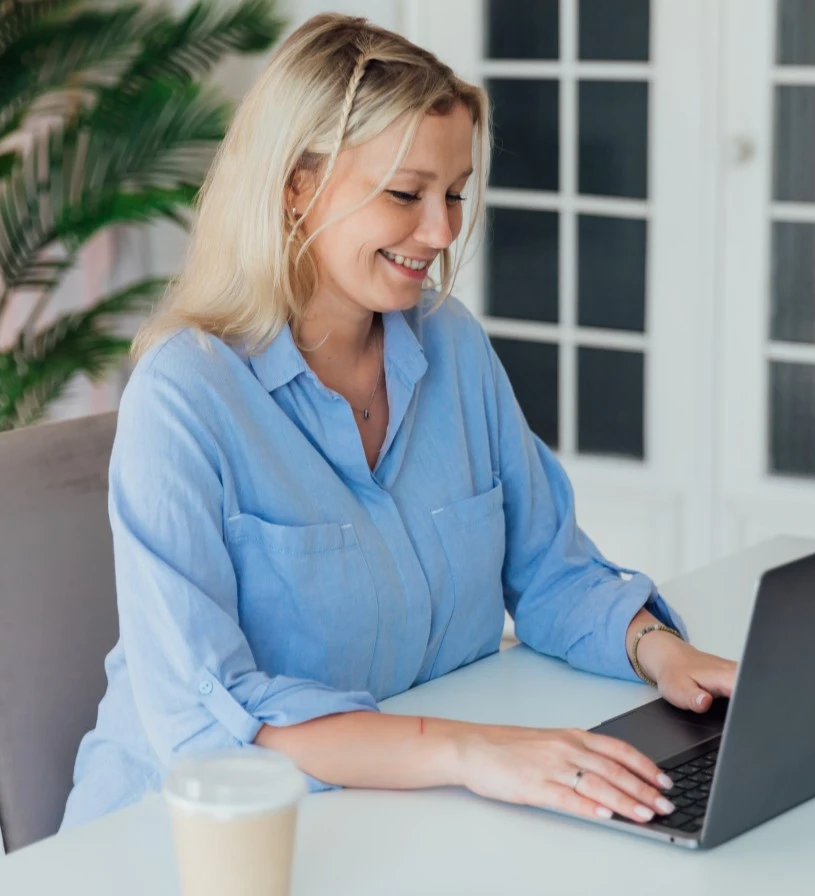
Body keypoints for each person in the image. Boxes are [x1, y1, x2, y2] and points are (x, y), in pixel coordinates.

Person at [61, 13, 737, 833]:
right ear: (296, 185)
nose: (443, 231)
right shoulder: (185, 400)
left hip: (403, 818)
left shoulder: (452, 349)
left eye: (454, 193)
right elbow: (216, 722)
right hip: (188, 842)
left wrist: (666, 658)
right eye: (405, 194)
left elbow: (551, 572)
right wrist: (472, 752)